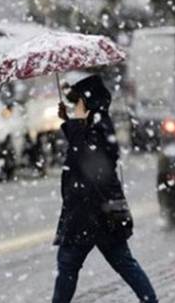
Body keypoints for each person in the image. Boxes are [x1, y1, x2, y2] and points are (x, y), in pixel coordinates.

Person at [51, 75, 158, 303]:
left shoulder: (95, 126)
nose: (76, 105)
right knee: (124, 263)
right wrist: (70, 121)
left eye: (78, 101)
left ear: (87, 102)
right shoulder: (99, 123)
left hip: (88, 213)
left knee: (68, 265)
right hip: (104, 211)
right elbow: (87, 150)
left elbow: (84, 156)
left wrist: (76, 123)